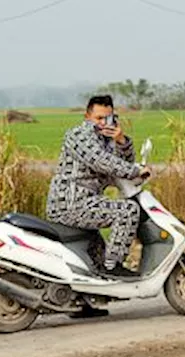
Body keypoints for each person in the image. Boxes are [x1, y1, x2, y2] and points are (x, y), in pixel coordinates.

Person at [46, 95, 149, 279]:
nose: (103, 123)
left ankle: (91, 298)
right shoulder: (78, 135)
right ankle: (113, 267)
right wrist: (135, 171)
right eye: (99, 118)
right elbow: (101, 161)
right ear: (87, 116)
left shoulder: (106, 140)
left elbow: (122, 163)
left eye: (107, 118)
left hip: (88, 201)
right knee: (127, 211)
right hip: (71, 203)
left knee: (97, 258)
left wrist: (121, 140)